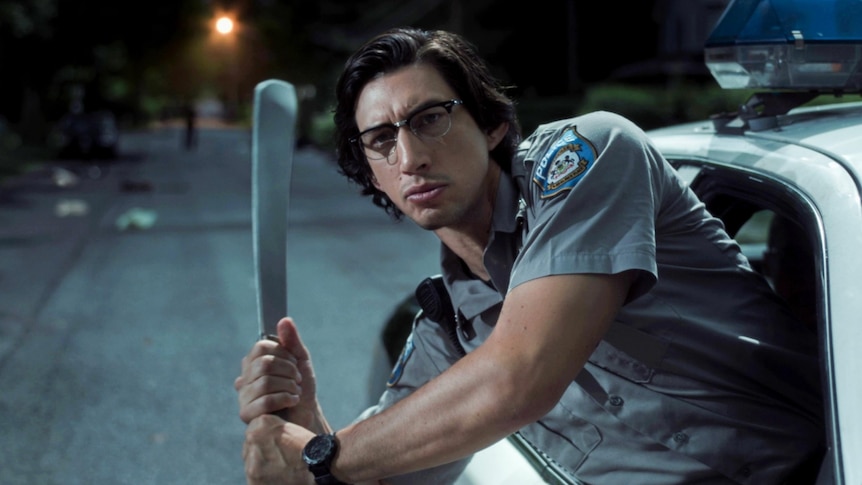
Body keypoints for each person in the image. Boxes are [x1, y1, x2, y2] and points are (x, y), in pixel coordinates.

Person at [235, 28, 824, 485]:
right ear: (372, 173)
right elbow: (375, 471)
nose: (409, 156)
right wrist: (306, 422)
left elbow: (520, 374)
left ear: (491, 124)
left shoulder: (588, 156)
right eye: (382, 141)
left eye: (430, 119)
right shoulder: (446, 334)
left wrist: (318, 457)